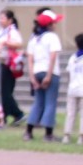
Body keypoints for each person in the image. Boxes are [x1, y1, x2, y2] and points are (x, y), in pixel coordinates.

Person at [23, 10, 64, 142]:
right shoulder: (52, 37)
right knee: (50, 103)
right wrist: (49, 75)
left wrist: (32, 78)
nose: (56, 25)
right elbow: (53, 57)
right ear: (50, 25)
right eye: (55, 22)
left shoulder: (34, 38)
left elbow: (30, 59)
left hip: (36, 71)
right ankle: (48, 134)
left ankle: (28, 132)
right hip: (50, 72)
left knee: (38, 103)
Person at [0, 10, 25, 127]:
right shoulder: (1, 32)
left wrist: (5, 43)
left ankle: (18, 114)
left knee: (5, 92)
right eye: (0, 18)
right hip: (0, 63)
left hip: (8, 65)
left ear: (10, 20)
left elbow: (18, 44)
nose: (0, 20)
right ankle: (4, 116)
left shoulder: (12, 31)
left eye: (2, 18)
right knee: (2, 92)